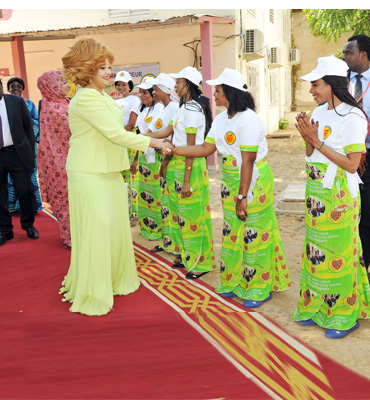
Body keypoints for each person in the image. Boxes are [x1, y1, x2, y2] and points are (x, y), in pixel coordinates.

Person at [60, 38, 172, 316]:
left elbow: (117, 131)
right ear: (86, 71)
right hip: (89, 172)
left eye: (110, 67)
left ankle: (115, 280)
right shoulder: (85, 97)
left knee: (113, 229)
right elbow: (116, 134)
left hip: (107, 171)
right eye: (102, 69)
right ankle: (93, 290)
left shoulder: (100, 96)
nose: (109, 73)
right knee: (98, 230)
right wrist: (155, 143)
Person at [172, 68, 291, 302]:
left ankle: (258, 287)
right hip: (230, 179)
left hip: (252, 180)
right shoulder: (222, 120)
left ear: (230, 92)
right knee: (233, 232)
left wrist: (242, 196)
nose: (213, 95)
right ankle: (233, 280)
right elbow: (206, 149)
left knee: (254, 234)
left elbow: (248, 161)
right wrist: (174, 149)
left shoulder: (248, 120)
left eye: (217, 91)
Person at [293, 55, 370, 338]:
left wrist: (317, 141)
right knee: (317, 253)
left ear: (333, 85)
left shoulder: (353, 116)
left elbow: (352, 163)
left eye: (315, 84)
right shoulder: (319, 113)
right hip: (316, 192)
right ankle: (316, 306)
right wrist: (308, 142)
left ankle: (343, 315)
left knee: (339, 252)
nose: (311, 90)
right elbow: (311, 155)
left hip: (339, 194)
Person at [143, 66, 216, 279]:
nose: (175, 86)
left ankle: (201, 262)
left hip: (190, 168)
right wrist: (143, 138)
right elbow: (168, 132)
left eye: (178, 82)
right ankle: (188, 257)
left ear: (188, 84)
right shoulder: (184, 108)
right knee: (182, 216)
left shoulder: (193, 110)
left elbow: (192, 147)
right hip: (179, 164)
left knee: (194, 217)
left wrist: (186, 181)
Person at [343, 34, 370, 282]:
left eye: (348, 53)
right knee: (353, 212)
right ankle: (352, 269)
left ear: (363, 54)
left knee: (367, 216)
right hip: (346, 158)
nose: (344, 57)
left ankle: (364, 270)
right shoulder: (340, 82)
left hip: (368, 155)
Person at [0, 79, 39, 246]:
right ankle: (5, 230)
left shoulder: (16, 102)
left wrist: (29, 154)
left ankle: (28, 225)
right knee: (0, 196)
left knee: (25, 190)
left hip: (17, 153)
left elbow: (28, 129)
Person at [144, 73, 180, 253]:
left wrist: (141, 138)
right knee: (164, 202)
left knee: (172, 203)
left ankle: (175, 244)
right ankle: (167, 241)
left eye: (156, 89)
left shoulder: (174, 107)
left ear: (166, 91)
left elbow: (169, 134)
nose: (154, 92)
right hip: (162, 155)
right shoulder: (163, 108)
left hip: (170, 159)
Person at [37, 70, 72, 249]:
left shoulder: (56, 102)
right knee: (66, 201)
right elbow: (73, 132)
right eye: (63, 82)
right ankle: (70, 239)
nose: (68, 85)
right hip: (61, 163)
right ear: (53, 86)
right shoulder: (55, 109)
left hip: (59, 160)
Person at [131, 77, 164, 240]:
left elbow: (151, 133)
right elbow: (139, 134)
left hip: (155, 156)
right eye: (140, 93)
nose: (142, 96)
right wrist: (136, 158)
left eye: (145, 92)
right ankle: (146, 227)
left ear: (153, 93)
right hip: (143, 155)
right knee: (144, 193)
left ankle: (157, 229)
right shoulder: (142, 110)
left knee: (155, 193)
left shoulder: (159, 109)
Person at [7, 77, 42, 213]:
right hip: (10, 147)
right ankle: (13, 206)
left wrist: (24, 123)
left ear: (23, 89)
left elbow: (37, 123)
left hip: (28, 146)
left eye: (18, 86)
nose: (15, 88)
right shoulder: (3, 104)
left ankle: (31, 206)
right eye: (12, 86)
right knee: (12, 176)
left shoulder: (29, 104)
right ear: (8, 89)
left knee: (29, 174)